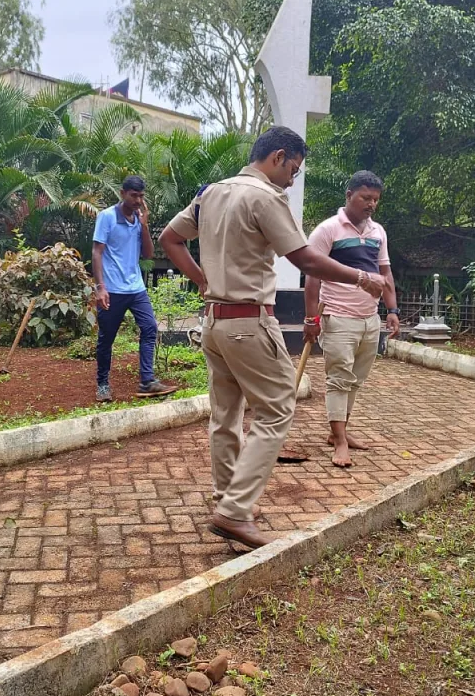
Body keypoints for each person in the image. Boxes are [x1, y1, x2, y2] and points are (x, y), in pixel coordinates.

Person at [159, 126, 385, 549]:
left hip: (213, 322)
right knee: (279, 407)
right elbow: (302, 258)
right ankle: (234, 511)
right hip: (249, 323)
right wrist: (360, 277)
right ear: (278, 156)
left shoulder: (211, 193)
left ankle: (228, 495)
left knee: (225, 414)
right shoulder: (264, 196)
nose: (292, 180)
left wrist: (202, 279)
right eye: (294, 170)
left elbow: (169, 238)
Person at [303, 170, 400, 468]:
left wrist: (392, 309)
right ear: (349, 195)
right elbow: (312, 276)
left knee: (355, 381)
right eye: (365, 198)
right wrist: (310, 319)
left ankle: (338, 433)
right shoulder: (327, 230)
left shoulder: (378, 232)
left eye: (375, 200)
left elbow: (385, 274)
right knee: (338, 380)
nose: (371, 204)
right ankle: (341, 440)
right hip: (338, 317)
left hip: (370, 319)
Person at [92, 175, 176, 402]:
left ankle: (147, 381)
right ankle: (102, 385)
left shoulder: (139, 220)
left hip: (136, 288)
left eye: (141, 196)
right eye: (134, 195)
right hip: (112, 289)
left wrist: (145, 225)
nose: (138, 200)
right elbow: (97, 252)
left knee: (149, 328)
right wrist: (100, 287)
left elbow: (147, 254)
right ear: (122, 193)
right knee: (106, 338)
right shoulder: (107, 217)